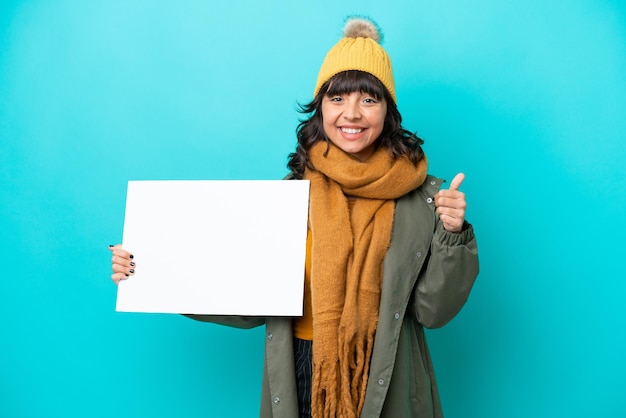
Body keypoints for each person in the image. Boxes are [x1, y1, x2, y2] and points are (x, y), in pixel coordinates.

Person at [110, 16, 478, 418]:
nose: (351, 114)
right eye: (337, 98)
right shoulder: (288, 196)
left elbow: (433, 311)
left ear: (387, 112)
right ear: (320, 108)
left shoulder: (425, 198)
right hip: (303, 368)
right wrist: (149, 270)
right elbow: (245, 297)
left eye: (368, 100)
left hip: (386, 369)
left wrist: (452, 235)